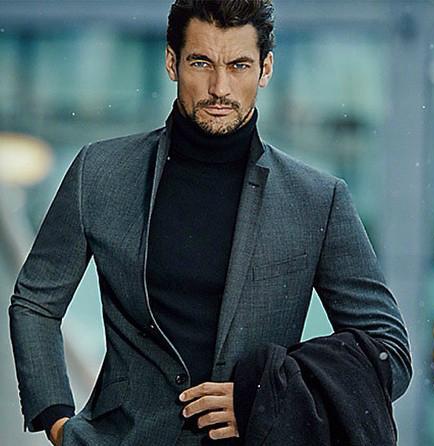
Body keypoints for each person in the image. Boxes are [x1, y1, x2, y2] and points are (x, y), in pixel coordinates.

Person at [8, 1, 412, 445]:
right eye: (202, 63)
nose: (220, 87)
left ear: (266, 69)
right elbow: (35, 302)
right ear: (172, 63)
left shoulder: (317, 199)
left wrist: (265, 402)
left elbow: (388, 352)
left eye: (239, 65)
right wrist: (57, 421)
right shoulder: (101, 171)